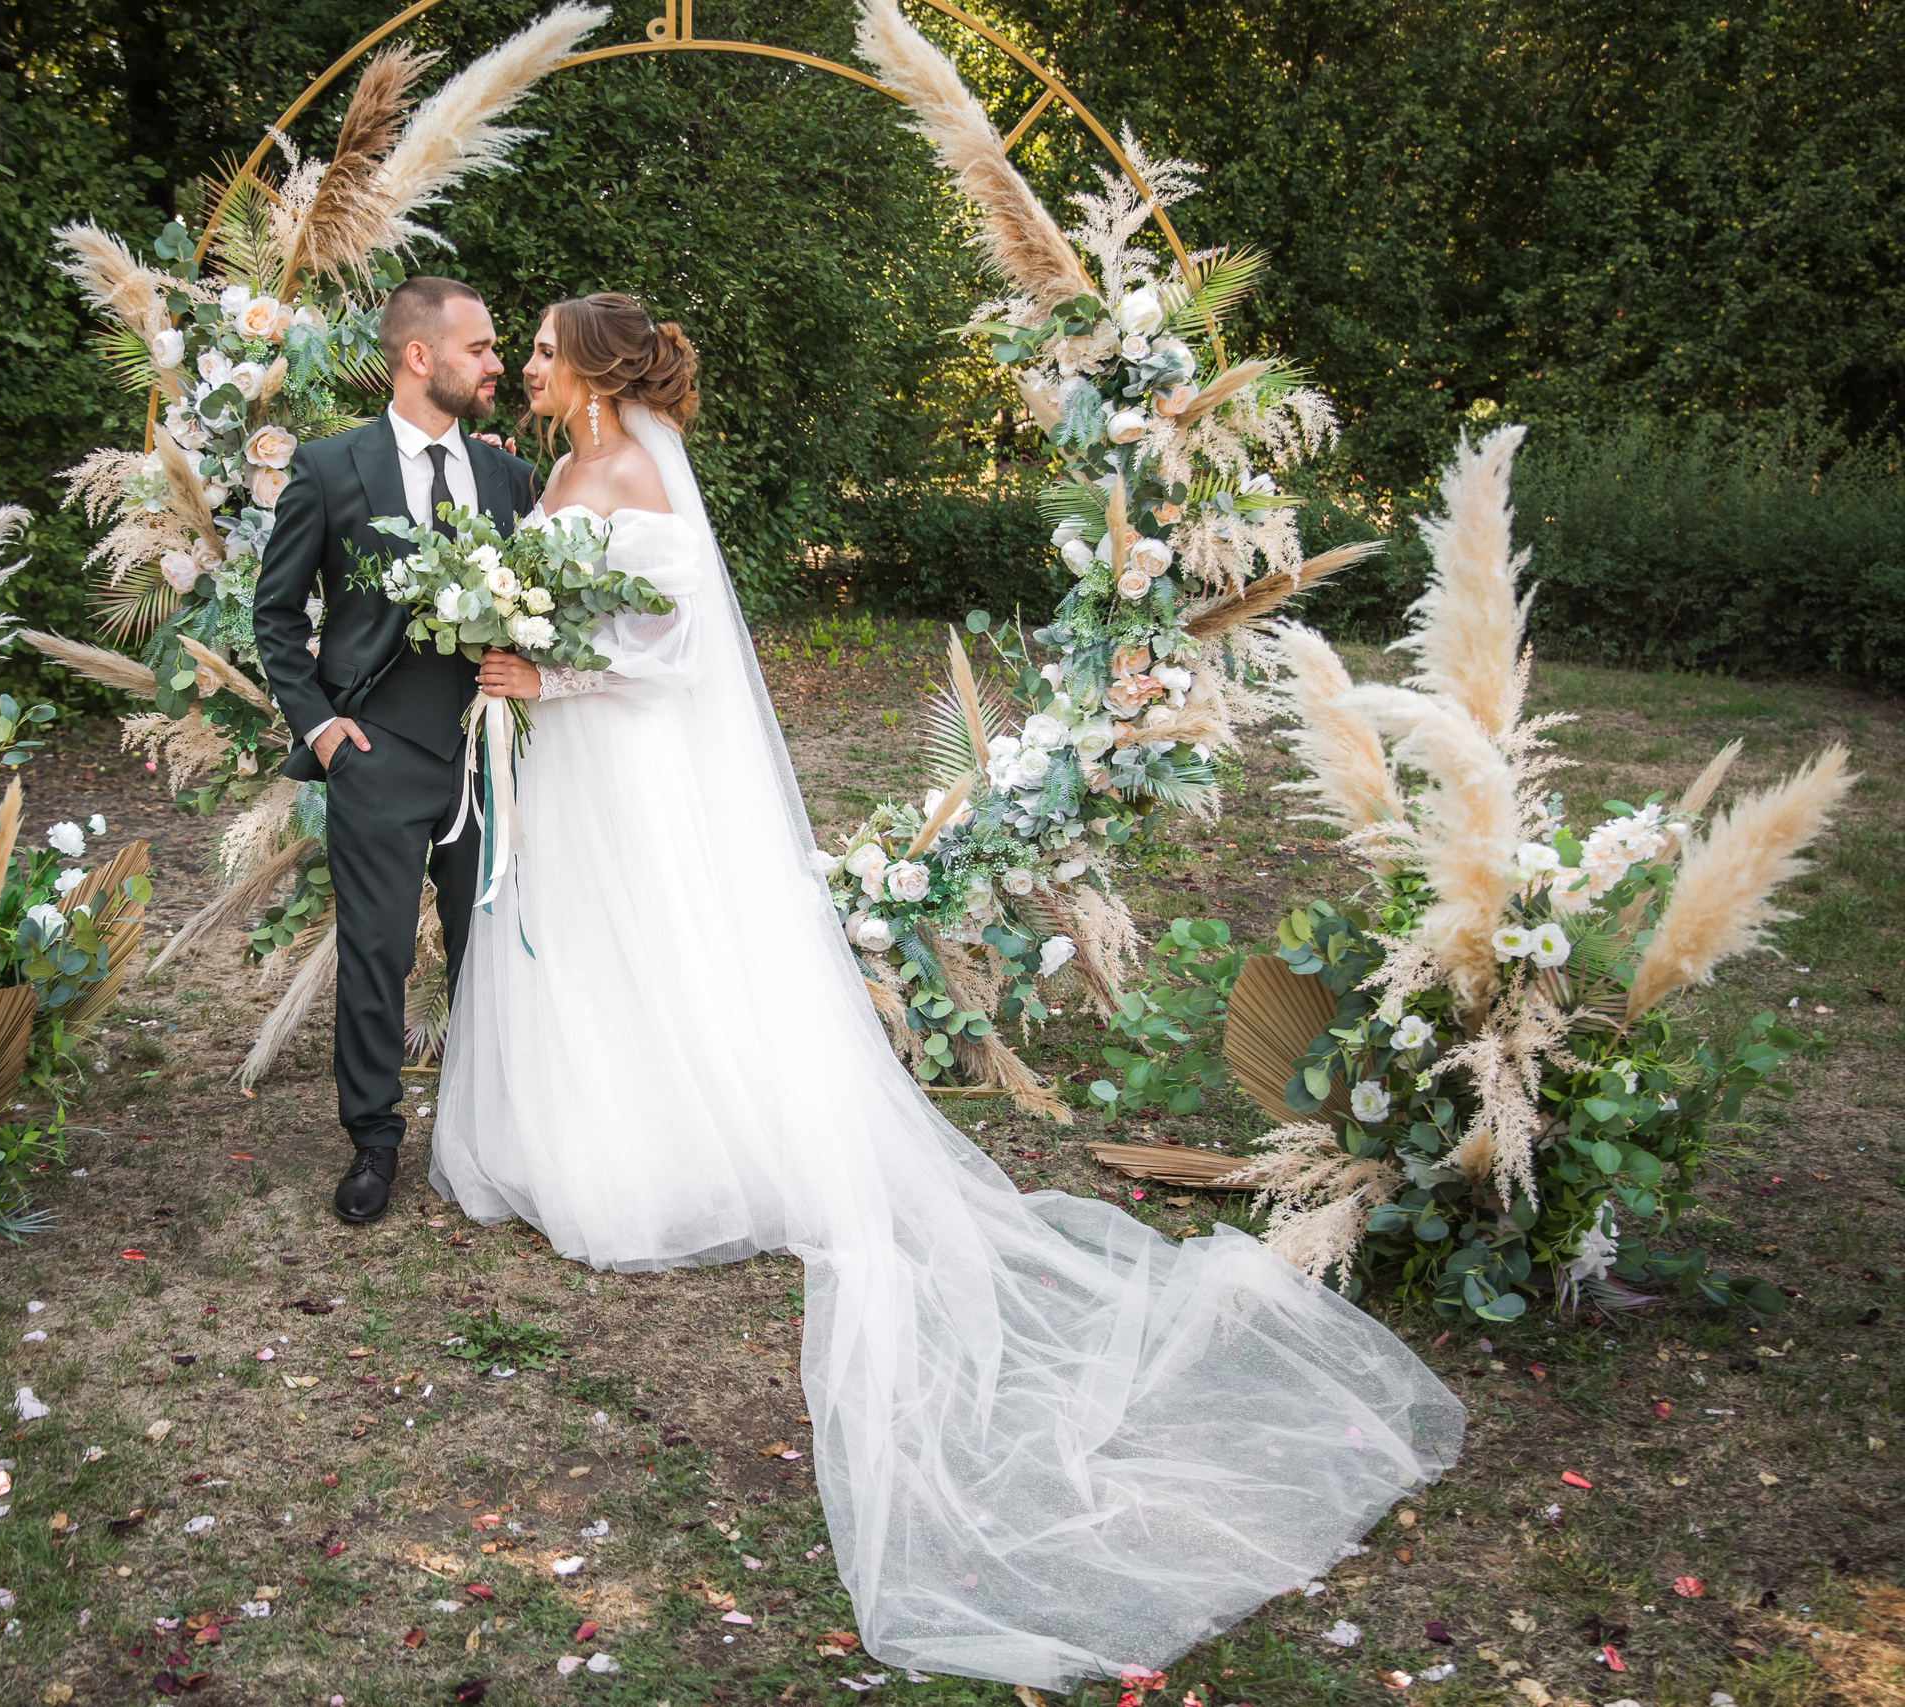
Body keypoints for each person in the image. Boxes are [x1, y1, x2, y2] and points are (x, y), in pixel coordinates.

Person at [426, 292, 1467, 1689]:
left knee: (654, 939)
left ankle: (669, 1148)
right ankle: (567, 1124)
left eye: (546, 347)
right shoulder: (556, 469)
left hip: (627, 759)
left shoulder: (634, 467)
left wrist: (553, 666)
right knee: (580, 937)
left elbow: (675, 647)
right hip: (567, 764)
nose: (533, 368)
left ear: (594, 370)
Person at [252, 276, 540, 1225]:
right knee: (375, 953)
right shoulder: (333, 469)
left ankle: (490, 1131)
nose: (497, 363)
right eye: (482, 347)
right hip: (375, 752)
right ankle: (374, 1140)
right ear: (421, 357)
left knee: (485, 952)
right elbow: (277, 613)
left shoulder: (508, 478)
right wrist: (325, 730)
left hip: (487, 750)